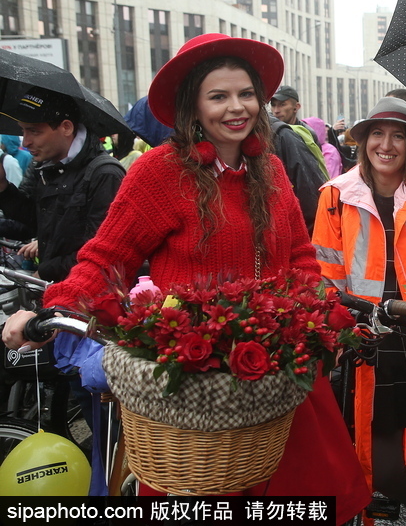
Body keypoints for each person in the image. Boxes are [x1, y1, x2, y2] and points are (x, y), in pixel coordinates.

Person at [0, 34, 370, 520]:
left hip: (277, 377)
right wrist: (50, 311)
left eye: (246, 94)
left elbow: (300, 259)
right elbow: (106, 260)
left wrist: (322, 317)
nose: (236, 107)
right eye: (218, 96)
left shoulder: (272, 169)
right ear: (192, 105)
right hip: (198, 388)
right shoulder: (160, 171)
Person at [312, 96, 406, 526]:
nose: (386, 145)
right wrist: (339, 329)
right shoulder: (335, 197)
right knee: (383, 466)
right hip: (369, 343)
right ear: (363, 141)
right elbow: (325, 278)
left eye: (398, 136)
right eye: (377, 134)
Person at [0, 87, 125, 282]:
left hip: (87, 291)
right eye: (23, 130)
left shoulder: (105, 174)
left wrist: (46, 272)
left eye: (34, 131)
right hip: (54, 286)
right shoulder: (42, 165)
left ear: (66, 127)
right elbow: (32, 223)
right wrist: (3, 187)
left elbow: (101, 250)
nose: (26, 142)